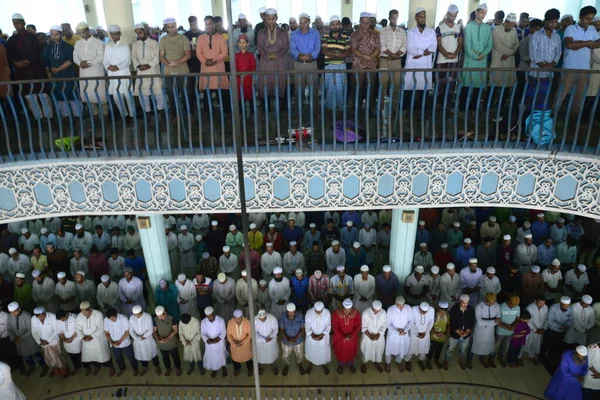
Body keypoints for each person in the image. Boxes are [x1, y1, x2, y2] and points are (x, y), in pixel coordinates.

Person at [557, 6, 600, 122]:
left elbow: (597, 42)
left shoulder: (592, 29)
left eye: (591, 19)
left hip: (584, 69)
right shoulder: (571, 28)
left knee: (578, 99)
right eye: (586, 18)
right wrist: (588, 43)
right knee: (561, 95)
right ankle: (550, 119)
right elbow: (570, 45)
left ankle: (571, 123)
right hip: (569, 68)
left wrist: (581, 44)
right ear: (580, 17)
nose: (589, 21)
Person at [7, 13, 51, 120]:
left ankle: (48, 117)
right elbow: (10, 54)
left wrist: (27, 61)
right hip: (22, 73)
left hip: (36, 71)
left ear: (24, 23)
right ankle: (38, 118)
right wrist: (15, 63)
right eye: (14, 23)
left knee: (43, 95)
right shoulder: (12, 40)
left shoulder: (32, 37)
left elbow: (36, 51)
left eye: (18, 23)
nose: (17, 25)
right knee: (29, 97)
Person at [43, 25, 79, 118]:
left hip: (67, 75)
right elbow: (46, 62)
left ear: (61, 34)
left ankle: (77, 116)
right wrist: (49, 74)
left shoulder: (67, 46)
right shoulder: (48, 47)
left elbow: (69, 61)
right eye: (52, 34)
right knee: (59, 97)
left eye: (56, 34)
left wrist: (57, 69)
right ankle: (65, 116)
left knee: (72, 95)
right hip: (55, 77)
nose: (54, 37)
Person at [461, 4, 493, 111]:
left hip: (482, 61)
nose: (483, 15)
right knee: (466, 86)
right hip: (470, 61)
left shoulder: (487, 28)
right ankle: (462, 108)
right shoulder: (468, 27)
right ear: (476, 12)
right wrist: (476, 56)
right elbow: (467, 45)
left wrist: (483, 54)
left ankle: (473, 109)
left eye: (485, 13)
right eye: (481, 12)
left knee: (478, 88)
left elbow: (490, 44)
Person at [196, 16, 230, 115]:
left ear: (214, 24)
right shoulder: (201, 38)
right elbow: (198, 52)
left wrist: (214, 60)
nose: (209, 26)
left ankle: (227, 112)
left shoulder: (221, 37)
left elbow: (225, 53)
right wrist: (205, 61)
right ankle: (207, 113)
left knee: (223, 91)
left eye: (211, 23)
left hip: (218, 67)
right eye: (207, 24)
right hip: (206, 68)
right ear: (204, 25)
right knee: (207, 92)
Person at [257, 9, 290, 108]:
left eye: (273, 19)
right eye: (269, 19)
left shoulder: (283, 32)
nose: (271, 21)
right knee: (265, 84)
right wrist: (266, 55)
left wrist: (277, 55)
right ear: (265, 19)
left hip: (280, 62)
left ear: (276, 18)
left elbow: (286, 46)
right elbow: (259, 46)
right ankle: (266, 111)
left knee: (280, 84)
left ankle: (282, 111)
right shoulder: (261, 32)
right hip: (265, 63)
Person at [159, 17, 191, 117]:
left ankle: (190, 114)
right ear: (166, 28)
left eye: (173, 27)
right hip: (169, 71)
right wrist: (168, 64)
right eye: (169, 27)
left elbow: (188, 55)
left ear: (176, 26)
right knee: (171, 95)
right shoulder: (163, 39)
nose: (172, 29)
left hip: (183, 71)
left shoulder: (183, 38)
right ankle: (175, 116)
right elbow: (161, 56)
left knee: (187, 94)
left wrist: (176, 62)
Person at [351, 12, 380, 122]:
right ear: (360, 22)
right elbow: (353, 49)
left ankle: (369, 109)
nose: (365, 25)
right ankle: (356, 110)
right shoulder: (355, 34)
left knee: (370, 88)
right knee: (357, 88)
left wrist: (370, 57)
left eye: (367, 23)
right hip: (358, 65)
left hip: (371, 65)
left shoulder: (375, 34)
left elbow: (378, 48)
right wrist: (364, 56)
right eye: (363, 23)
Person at [321, 15, 350, 115]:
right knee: (329, 88)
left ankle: (341, 110)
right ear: (330, 26)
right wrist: (337, 55)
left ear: (340, 25)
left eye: (337, 24)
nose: (335, 26)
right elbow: (324, 50)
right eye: (333, 24)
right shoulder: (325, 37)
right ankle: (329, 110)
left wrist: (340, 55)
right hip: (329, 66)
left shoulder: (345, 38)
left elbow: (348, 51)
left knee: (341, 87)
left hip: (341, 66)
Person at [435, 5, 463, 106]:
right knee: (439, 83)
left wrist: (455, 53)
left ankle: (447, 105)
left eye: (454, 16)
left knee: (451, 84)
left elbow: (460, 43)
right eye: (451, 16)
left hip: (453, 61)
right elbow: (439, 44)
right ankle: (438, 105)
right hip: (442, 60)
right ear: (447, 14)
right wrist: (446, 54)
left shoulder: (458, 28)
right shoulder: (440, 28)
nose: (452, 18)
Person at [76, 301, 112, 376]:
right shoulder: (79, 316)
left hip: (98, 339)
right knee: (91, 355)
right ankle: (96, 366)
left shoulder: (98, 314)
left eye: (85, 312)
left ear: (90, 309)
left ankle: (110, 367)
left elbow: (101, 328)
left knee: (103, 354)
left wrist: (92, 336)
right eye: (82, 312)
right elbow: (77, 328)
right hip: (86, 339)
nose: (84, 314)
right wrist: (83, 337)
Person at [31, 306, 68, 377]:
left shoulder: (52, 317)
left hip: (53, 341)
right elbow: (33, 331)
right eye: (38, 317)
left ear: (44, 313)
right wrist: (39, 341)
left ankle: (64, 370)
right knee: (49, 358)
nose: (40, 318)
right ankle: (55, 370)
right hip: (43, 343)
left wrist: (48, 340)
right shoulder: (33, 319)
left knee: (58, 357)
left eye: (41, 316)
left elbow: (56, 330)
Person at [445, 294, 476, 370]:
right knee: (450, 348)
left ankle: (460, 359)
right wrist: (460, 333)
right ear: (459, 301)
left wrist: (467, 330)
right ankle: (446, 360)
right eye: (463, 303)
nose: (465, 305)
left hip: (466, 335)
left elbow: (472, 322)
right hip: (455, 335)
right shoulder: (454, 310)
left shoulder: (471, 310)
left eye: (467, 303)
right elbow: (453, 324)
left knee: (462, 349)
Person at [103, 308, 137, 376]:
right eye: (110, 319)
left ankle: (135, 369)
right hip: (113, 343)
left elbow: (127, 332)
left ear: (116, 315)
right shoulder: (106, 320)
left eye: (112, 318)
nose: (111, 320)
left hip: (125, 342)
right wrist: (112, 343)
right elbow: (106, 333)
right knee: (118, 358)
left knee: (131, 356)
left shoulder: (123, 318)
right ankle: (122, 369)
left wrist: (119, 341)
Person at [471, 293, 500, 368]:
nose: (492, 304)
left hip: (490, 331)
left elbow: (499, 319)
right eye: (490, 302)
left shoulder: (496, 306)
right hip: (480, 331)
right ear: (485, 299)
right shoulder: (479, 307)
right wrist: (493, 322)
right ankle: (468, 360)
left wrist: (491, 322)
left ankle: (482, 359)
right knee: (474, 346)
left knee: (487, 346)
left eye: (493, 302)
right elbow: (480, 322)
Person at [128, 305, 160, 376]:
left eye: (137, 314)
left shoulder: (147, 316)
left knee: (152, 353)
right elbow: (131, 330)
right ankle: (145, 367)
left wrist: (143, 336)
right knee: (140, 354)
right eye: (134, 314)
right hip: (137, 340)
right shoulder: (131, 318)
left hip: (147, 338)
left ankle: (157, 366)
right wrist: (137, 338)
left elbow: (150, 329)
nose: (135, 316)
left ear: (141, 312)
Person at [332, 298, 361, 374]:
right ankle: (340, 365)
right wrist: (343, 337)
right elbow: (335, 328)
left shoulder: (356, 313)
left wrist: (352, 335)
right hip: (340, 338)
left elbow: (358, 326)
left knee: (351, 351)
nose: (347, 311)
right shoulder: (336, 313)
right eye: (345, 309)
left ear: (352, 308)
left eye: (349, 309)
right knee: (341, 352)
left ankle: (350, 364)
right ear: (342, 307)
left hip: (352, 338)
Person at [385, 296, 413, 372]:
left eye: (403, 305)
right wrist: (397, 331)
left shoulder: (408, 308)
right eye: (399, 306)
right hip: (393, 334)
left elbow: (411, 321)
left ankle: (399, 361)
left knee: (402, 348)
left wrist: (405, 330)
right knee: (389, 349)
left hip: (404, 333)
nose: (401, 307)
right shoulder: (390, 309)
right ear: (395, 303)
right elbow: (388, 324)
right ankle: (388, 363)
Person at [541, 296, 574, 361]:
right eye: (565, 306)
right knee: (546, 344)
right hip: (551, 330)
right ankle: (541, 357)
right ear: (561, 304)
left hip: (561, 332)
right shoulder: (553, 308)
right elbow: (550, 320)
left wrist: (567, 326)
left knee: (556, 345)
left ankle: (551, 356)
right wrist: (560, 326)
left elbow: (571, 319)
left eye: (567, 306)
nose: (566, 307)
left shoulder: (570, 309)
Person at [152, 305, 181, 376]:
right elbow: (154, 331)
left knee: (175, 356)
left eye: (160, 316)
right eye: (157, 316)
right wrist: (158, 339)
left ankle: (178, 368)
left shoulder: (171, 318)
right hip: (161, 343)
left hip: (171, 342)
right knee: (165, 357)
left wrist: (167, 338)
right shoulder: (155, 319)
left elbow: (175, 330)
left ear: (164, 312)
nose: (159, 318)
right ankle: (168, 368)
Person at [279, 302, 306, 376]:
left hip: (298, 340)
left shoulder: (300, 316)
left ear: (295, 311)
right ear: (287, 311)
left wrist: (296, 338)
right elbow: (281, 329)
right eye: (289, 313)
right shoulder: (282, 316)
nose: (291, 315)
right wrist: (287, 338)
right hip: (286, 341)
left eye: (293, 313)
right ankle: (286, 365)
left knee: (300, 354)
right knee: (285, 355)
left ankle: (300, 364)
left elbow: (302, 329)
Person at [201, 306, 228, 377]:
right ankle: (214, 369)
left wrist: (216, 340)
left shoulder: (221, 320)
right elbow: (203, 333)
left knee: (221, 355)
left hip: (219, 343)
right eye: (208, 317)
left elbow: (223, 333)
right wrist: (207, 340)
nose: (209, 318)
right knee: (212, 357)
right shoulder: (203, 322)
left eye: (211, 316)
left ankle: (223, 367)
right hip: (209, 344)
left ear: (213, 313)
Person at [54, 310, 82, 375]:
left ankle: (87, 367)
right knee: (72, 355)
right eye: (60, 320)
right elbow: (60, 331)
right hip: (67, 340)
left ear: (66, 315)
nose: (61, 321)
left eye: (63, 319)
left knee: (81, 353)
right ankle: (77, 367)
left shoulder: (75, 317)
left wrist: (72, 338)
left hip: (77, 338)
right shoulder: (58, 320)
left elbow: (79, 329)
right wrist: (64, 339)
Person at [227, 309, 253, 376]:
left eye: (239, 319)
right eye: (236, 319)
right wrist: (234, 343)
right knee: (235, 358)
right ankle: (237, 369)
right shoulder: (230, 323)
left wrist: (242, 342)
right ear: (233, 317)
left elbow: (250, 334)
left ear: (242, 317)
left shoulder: (247, 322)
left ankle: (250, 369)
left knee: (248, 358)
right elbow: (228, 335)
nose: (238, 321)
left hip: (245, 344)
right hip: (235, 345)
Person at [523, 296, 548, 364]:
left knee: (535, 344)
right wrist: (535, 330)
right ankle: (519, 357)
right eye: (540, 303)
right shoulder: (530, 308)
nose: (542, 305)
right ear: (536, 301)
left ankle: (531, 356)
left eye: (543, 303)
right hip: (530, 329)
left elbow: (546, 319)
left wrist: (544, 328)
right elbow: (528, 320)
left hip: (540, 330)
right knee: (525, 343)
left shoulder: (545, 307)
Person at [235, 34, 256, 111]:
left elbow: (253, 66)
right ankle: (240, 113)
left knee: (250, 95)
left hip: (248, 79)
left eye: (244, 42)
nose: (242, 44)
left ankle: (252, 113)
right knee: (240, 96)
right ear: (238, 44)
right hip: (239, 79)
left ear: (247, 44)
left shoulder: (250, 55)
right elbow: (234, 67)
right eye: (240, 42)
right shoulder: (235, 56)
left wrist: (247, 73)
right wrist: (239, 74)